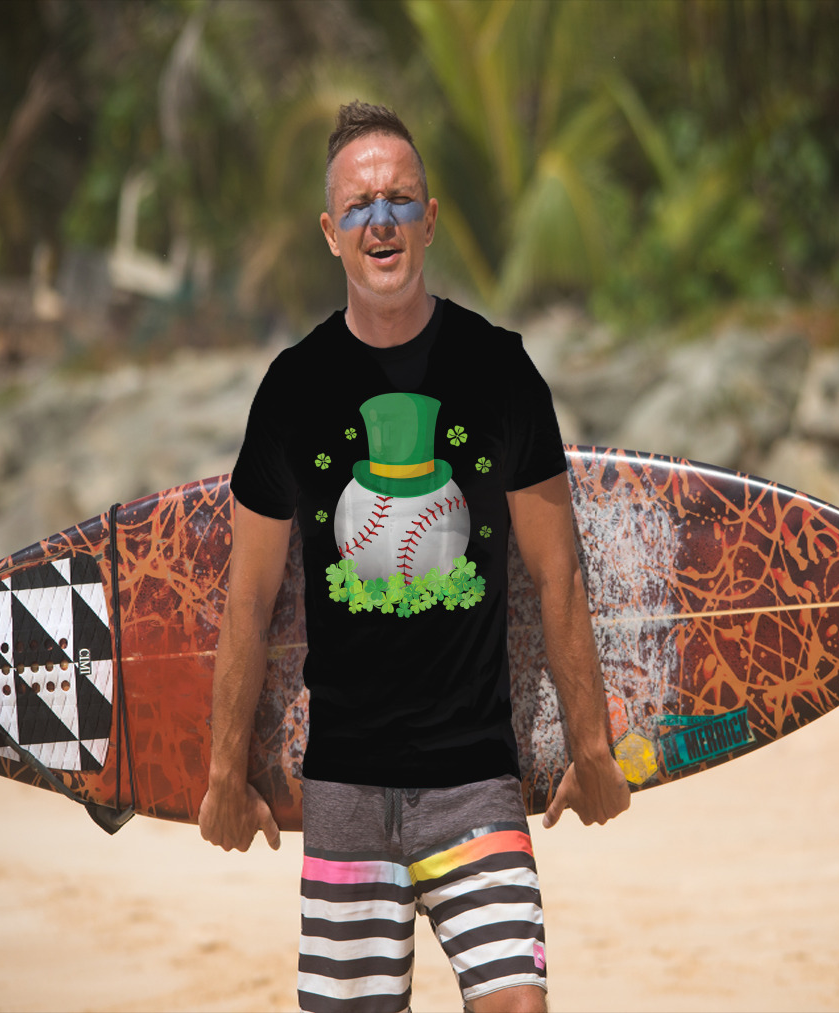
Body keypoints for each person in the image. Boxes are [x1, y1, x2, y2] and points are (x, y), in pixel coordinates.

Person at [199, 100, 630, 1013]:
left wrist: (591, 746)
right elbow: (248, 602)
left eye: (400, 200)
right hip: (346, 787)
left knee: (519, 1003)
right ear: (330, 232)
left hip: (475, 779)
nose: (381, 220)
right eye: (359, 206)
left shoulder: (501, 371)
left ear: (430, 219)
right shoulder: (292, 390)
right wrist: (221, 772)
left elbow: (558, 575)